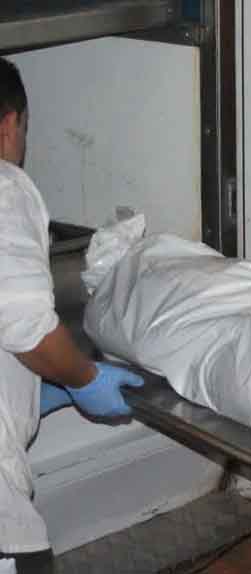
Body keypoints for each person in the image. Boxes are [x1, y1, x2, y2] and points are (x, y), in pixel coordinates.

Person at [0, 57, 145, 565]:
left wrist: (30, 394)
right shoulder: (4, 186)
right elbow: (26, 326)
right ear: (9, 123)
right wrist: (84, 378)